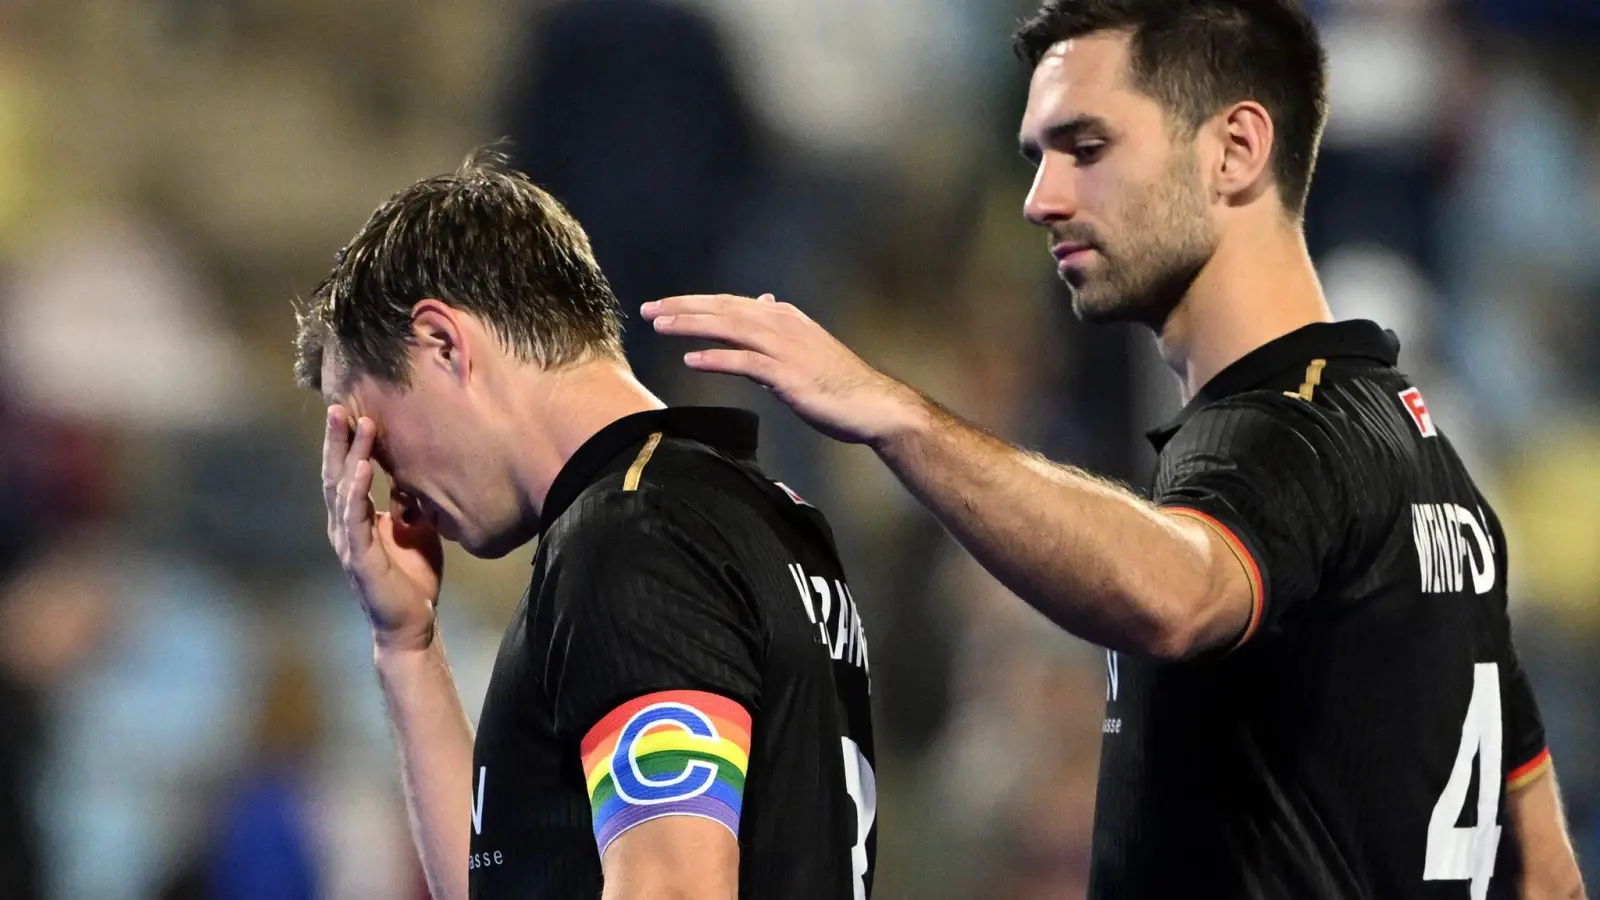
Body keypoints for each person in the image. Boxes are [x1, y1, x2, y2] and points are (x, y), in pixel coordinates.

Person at [641, 1, 1589, 898]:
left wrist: (890, 411)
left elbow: (1178, 597)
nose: (1040, 200)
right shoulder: (1425, 459)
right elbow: (1545, 875)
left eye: (1086, 148)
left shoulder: (1282, 439)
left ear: (1236, 150)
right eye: (1036, 156)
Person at [297, 150, 876, 900]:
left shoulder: (633, 535)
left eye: (375, 435)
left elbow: (675, 890)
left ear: (443, 344)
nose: (388, 483)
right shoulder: (749, 515)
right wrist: (405, 644)